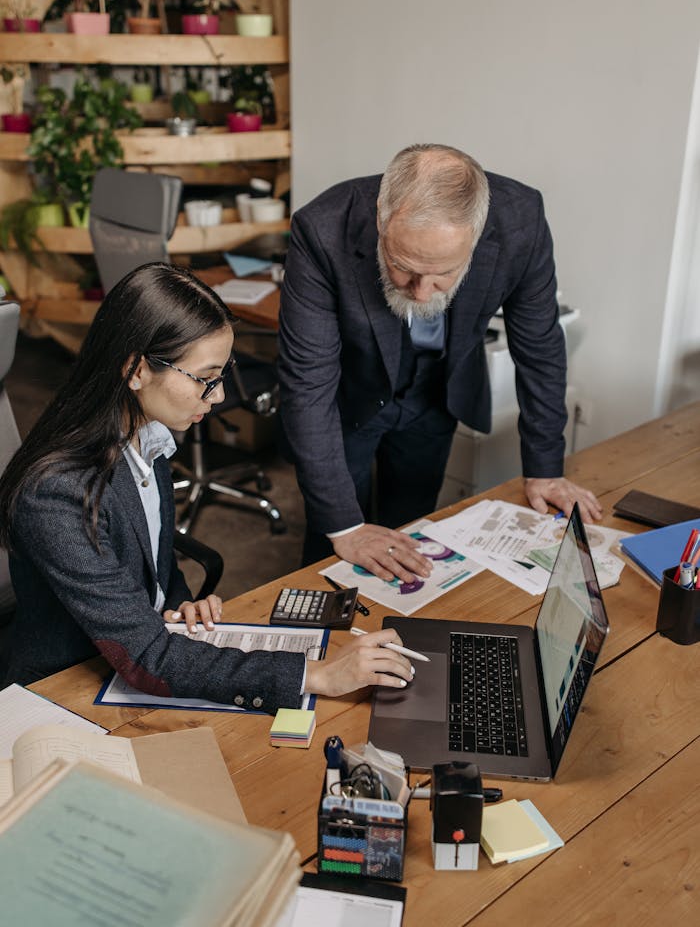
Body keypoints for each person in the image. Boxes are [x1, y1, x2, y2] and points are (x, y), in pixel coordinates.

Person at [0, 263, 412, 708]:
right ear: (136, 371)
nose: (218, 396)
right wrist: (318, 675)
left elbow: (154, 563)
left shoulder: (147, 434)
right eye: (206, 377)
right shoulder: (57, 493)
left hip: (140, 646)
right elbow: (146, 658)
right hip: (66, 686)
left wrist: (176, 603)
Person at [278, 143, 601, 583]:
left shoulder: (520, 220)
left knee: (413, 533)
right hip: (345, 394)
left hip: (437, 390)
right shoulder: (322, 228)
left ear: (477, 234)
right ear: (381, 219)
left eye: (444, 273)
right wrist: (345, 527)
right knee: (335, 542)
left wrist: (544, 470)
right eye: (404, 267)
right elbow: (307, 383)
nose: (423, 293)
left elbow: (540, 347)